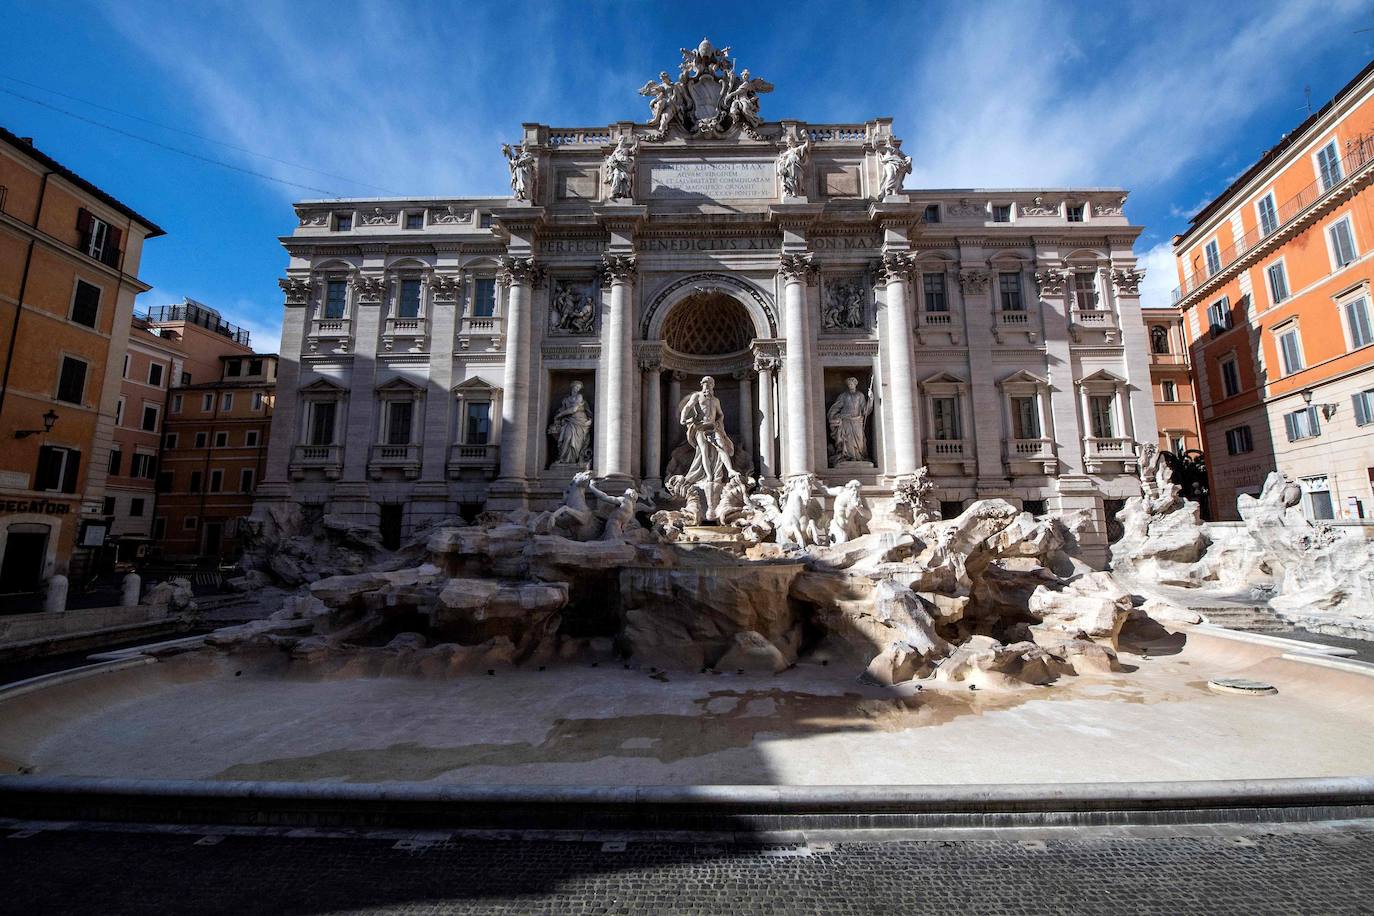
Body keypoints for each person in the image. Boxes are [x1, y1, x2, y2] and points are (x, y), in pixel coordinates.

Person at [679, 375, 735, 485]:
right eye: (705, 383)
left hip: (713, 428)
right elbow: (687, 407)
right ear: (702, 384)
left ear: (713, 386)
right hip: (700, 427)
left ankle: (730, 470)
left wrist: (719, 422)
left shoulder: (715, 400)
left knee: (722, 446)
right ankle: (709, 476)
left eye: (710, 383)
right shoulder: (697, 396)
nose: (707, 385)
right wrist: (683, 418)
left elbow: (720, 414)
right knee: (703, 451)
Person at [827, 376, 874, 463]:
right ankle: (848, 456)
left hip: (857, 421)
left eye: (852, 384)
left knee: (859, 441)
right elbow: (836, 407)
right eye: (849, 384)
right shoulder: (843, 396)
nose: (850, 385)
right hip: (846, 420)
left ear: (855, 384)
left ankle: (859, 457)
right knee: (847, 439)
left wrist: (870, 399)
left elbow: (865, 409)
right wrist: (833, 416)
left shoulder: (860, 395)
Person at [548, 380, 592, 465]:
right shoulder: (566, 400)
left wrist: (559, 415)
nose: (577, 389)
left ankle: (572, 460)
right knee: (566, 438)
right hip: (569, 421)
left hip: (580, 422)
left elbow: (574, 409)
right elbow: (562, 410)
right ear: (572, 387)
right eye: (576, 387)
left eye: (579, 387)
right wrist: (559, 416)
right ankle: (563, 458)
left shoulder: (579, 397)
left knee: (575, 442)